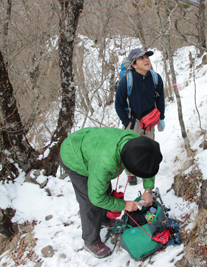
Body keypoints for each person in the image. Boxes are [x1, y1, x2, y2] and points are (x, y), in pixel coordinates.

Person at [59, 127, 163, 259]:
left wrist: (148, 190)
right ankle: (90, 241)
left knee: (103, 187)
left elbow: (148, 164)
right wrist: (124, 205)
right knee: (89, 201)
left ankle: (104, 219)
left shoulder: (137, 143)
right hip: (73, 155)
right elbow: (96, 197)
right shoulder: (105, 164)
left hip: (94, 148)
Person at [115, 48, 165, 185]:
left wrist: (161, 117)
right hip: (133, 121)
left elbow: (160, 99)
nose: (146, 60)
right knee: (130, 150)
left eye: (147, 57)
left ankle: (146, 171)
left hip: (150, 121)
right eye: (141, 58)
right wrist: (126, 121)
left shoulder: (155, 78)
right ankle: (130, 173)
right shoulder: (127, 81)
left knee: (148, 148)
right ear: (134, 64)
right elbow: (118, 104)